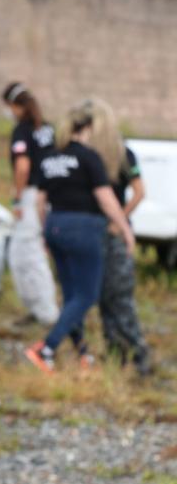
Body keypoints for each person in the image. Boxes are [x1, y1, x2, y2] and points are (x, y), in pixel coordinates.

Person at [25, 98, 135, 373]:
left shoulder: (50, 156)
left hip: (55, 225)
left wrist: (45, 231)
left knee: (71, 294)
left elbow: (40, 200)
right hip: (84, 227)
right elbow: (106, 198)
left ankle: (82, 353)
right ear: (87, 128)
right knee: (86, 295)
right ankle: (46, 348)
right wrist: (124, 228)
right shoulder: (88, 157)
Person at [84, 99, 152, 375]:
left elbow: (139, 191)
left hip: (115, 233)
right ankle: (115, 354)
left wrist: (119, 220)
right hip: (94, 230)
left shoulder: (124, 154)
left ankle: (139, 355)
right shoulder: (88, 155)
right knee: (102, 297)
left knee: (121, 297)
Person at [2, 82, 59, 325]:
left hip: (33, 195)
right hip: (50, 194)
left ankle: (47, 312)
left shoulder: (23, 130)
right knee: (19, 253)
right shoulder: (47, 129)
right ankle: (36, 307)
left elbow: (22, 166)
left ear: (15, 106)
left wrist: (17, 196)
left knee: (31, 253)